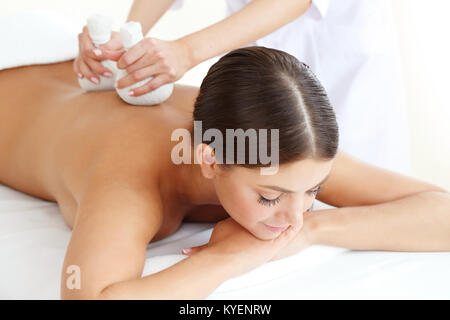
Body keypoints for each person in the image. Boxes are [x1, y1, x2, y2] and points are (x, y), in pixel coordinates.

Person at [1, 47, 448, 300]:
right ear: (209, 159)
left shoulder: (279, 147)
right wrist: (228, 259)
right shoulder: (131, 179)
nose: (292, 217)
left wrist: (313, 230)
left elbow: (442, 214)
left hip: (71, 88)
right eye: (270, 198)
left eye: (314, 190)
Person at [75, 0, 411, 176]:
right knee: (268, 187)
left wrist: (186, 52)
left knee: (352, 189)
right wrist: (128, 34)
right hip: (262, 68)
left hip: (341, 65)